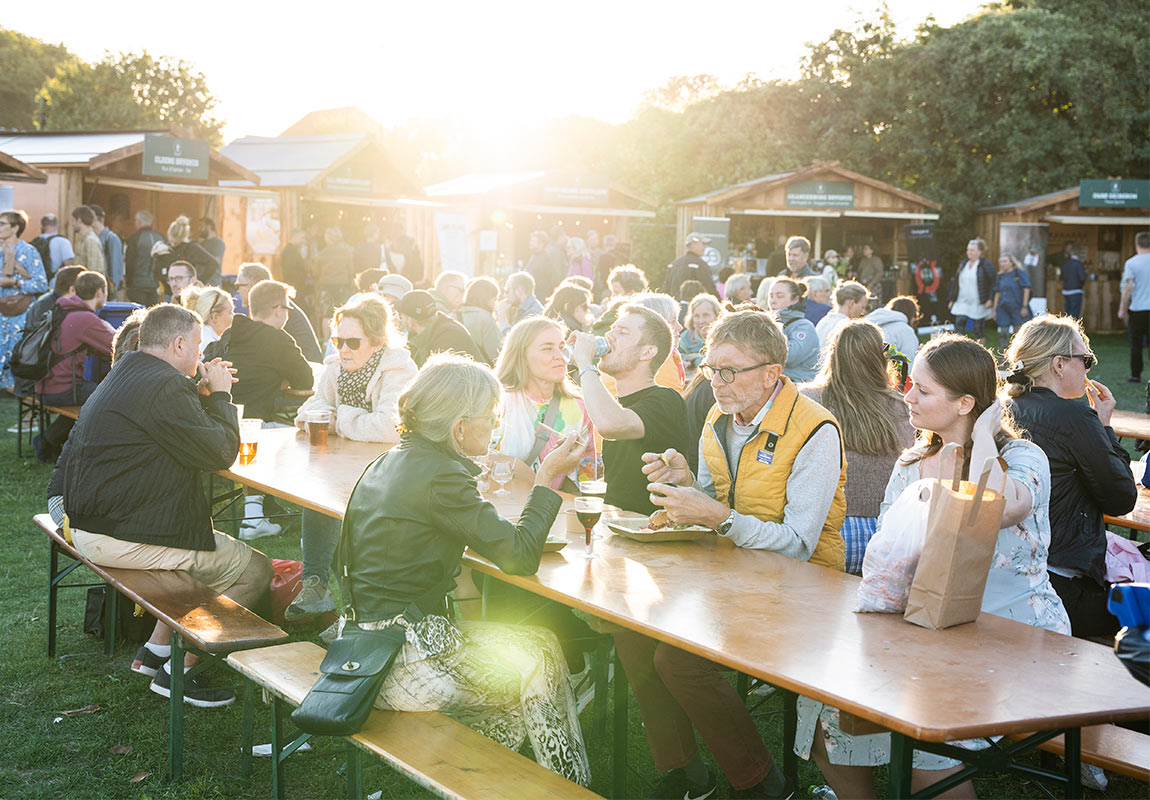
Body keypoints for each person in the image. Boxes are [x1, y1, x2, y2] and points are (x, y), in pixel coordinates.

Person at [794, 333, 1069, 800]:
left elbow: (999, 506)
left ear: (966, 403)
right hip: (925, 628)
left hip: (1013, 637)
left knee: (927, 742)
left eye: (922, 390)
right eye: (910, 384)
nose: (906, 396)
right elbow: (888, 553)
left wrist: (982, 435)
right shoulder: (911, 463)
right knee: (823, 710)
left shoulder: (1023, 458)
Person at [341, 355, 590, 785]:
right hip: (405, 662)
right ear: (459, 427)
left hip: (363, 646)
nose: (496, 425)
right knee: (539, 660)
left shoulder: (388, 461)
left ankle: (495, 778)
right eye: (491, 416)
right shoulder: (440, 475)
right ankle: (570, 785)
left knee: (538, 650)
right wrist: (546, 478)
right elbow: (519, 556)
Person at [630, 308, 847, 800]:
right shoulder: (718, 417)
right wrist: (686, 485)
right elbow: (718, 499)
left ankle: (762, 786)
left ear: (772, 373)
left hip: (804, 590)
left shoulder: (816, 429)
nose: (716, 382)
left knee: (681, 661)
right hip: (735, 578)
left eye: (729, 371)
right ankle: (688, 775)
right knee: (634, 633)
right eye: (709, 369)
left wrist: (714, 516)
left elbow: (797, 543)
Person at [62, 303, 273, 708]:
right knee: (254, 568)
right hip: (120, 535)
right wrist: (223, 395)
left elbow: (163, 425)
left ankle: (155, 651)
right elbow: (219, 453)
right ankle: (179, 670)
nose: (201, 356)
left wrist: (199, 395)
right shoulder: (165, 384)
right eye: (197, 347)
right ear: (178, 343)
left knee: (199, 554)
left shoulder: (128, 371)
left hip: (91, 526)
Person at [287, 296, 417, 620]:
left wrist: (339, 418)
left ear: (376, 341)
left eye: (352, 342)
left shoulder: (398, 368)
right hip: (344, 467)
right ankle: (317, 585)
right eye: (337, 340)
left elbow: (391, 426)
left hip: (392, 473)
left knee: (346, 512)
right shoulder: (334, 369)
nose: (343, 349)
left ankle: (349, 610)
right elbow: (305, 412)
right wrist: (335, 419)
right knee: (318, 494)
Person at [1005, 315, 1136, 637]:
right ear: (1060, 364)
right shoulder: (1075, 416)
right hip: (1057, 591)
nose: (1088, 368)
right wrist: (1104, 426)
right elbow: (1121, 498)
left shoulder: (1003, 408)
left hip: (1005, 579)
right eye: (1086, 360)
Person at [801, 321, 915, 574]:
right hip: (887, 536)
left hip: (827, 532)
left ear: (833, 355)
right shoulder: (903, 406)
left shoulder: (808, 401)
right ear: (880, 359)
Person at [571, 304, 690, 515]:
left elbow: (610, 425)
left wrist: (584, 362)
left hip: (655, 538)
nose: (610, 335)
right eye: (613, 328)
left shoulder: (666, 400)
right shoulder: (619, 406)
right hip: (618, 535)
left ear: (647, 352)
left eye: (623, 332)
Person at [494, 317, 598, 490]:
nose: (560, 357)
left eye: (562, 348)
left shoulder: (579, 407)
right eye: (547, 349)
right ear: (521, 355)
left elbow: (587, 478)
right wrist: (517, 467)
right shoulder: (499, 402)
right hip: (503, 509)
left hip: (554, 510)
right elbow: (478, 460)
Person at [31, 270, 114, 463]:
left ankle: (48, 440)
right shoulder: (86, 319)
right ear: (100, 293)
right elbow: (116, 345)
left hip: (43, 384)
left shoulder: (61, 309)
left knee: (93, 395)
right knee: (108, 396)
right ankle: (90, 453)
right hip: (61, 389)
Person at [204, 279, 313, 421]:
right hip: (258, 424)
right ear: (278, 310)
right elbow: (305, 380)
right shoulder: (278, 339)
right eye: (288, 309)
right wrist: (280, 380)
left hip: (220, 419)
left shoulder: (229, 334)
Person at [234, 262, 323, 362]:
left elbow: (261, 346)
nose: (236, 291)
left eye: (237, 286)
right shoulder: (274, 302)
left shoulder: (271, 307)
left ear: (250, 288)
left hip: (305, 367)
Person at [1, 209, 49, 390]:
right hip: (1, 310)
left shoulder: (28, 251)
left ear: (15, 228)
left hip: (19, 310)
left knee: (16, 346)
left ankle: (16, 384)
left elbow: (41, 284)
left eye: (2, 224)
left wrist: (14, 282)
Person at [396, 289, 481, 366]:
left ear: (410, 320)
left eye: (401, 316)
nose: (400, 319)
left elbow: (441, 378)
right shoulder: (419, 335)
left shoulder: (448, 336)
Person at [765, 277, 819, 382]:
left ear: (795, 300)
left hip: (799, 385)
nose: (773, 301)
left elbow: (789, 356)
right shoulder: (771, 322)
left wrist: (776, 325)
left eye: (779, 296)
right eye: (771, 296)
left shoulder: (805, 327)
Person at [947, 238, 995, 344]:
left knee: (978, 329)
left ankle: (981, 352)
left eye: (972, 250)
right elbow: (956, 283)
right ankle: (958, 349)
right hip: (962, 301)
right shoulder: (963, 264)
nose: (969, 252)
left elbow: (993, 283)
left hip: (978, 302)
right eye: (968, 250)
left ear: (980, 252)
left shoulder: (985, 264)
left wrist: (990, 299)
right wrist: (952, 299)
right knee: (959, 324)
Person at [1118, 231, 1150, 383]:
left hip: (1137, 309)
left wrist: (1122, 308)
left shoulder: (1131, 263)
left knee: (1136, 344)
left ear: (1137, 244)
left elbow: (1128, 288)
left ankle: (1136, 375)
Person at [163, 215, 220, 287]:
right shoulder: (165, 248)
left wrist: (200, 281)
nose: (173, 244)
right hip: (171, 290)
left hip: (187, 290)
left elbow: (213, 263)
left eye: (176, 241)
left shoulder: (191, 248)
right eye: (171, 240)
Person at [124, 210, 165, 306]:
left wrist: (128, 283)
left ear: (138, 222)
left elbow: (129, 262)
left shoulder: (134, 238)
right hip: (155, 286)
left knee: (139, 314)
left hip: (137, 284)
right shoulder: (161, 238)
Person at [866, 295, 921, 365]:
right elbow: (908, 364)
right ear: (911, 315)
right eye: (915, 316)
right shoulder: (905, 330)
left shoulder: (872, 324)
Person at [459, 276, 502, 365]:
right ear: (487, 299)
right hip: (480, 371)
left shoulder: (454, 315)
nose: (496, 304)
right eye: (495, 299)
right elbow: (494, 354)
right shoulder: (486, 319)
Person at [815, 280, 869, 349]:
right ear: (851, 303)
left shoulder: (823, 321)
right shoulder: (849, 327)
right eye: (862, 307)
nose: (863, 312)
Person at [663, 234, 718, 299]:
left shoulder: (673, 264)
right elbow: (709, 288)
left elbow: (666, 289)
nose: (706, 247)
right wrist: (720, 303)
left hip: (674, 306)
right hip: (693, 306)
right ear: (694, 244)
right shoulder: (699, 264)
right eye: (703, 244)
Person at [182, 286, 234, 354]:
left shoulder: (198, 336)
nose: (234, 316)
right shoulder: (210, 345)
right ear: (215, 317)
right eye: (230, 312)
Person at [679, 293, 721, 372]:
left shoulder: (726, 336)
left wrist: (696, 357)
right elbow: (674, 358)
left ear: (717, 316)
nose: (701, 321)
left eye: (706, 315)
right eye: (696, 316)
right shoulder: (684, 340)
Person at [992, 255, 1032, 337]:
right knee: (1003, 332)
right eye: (1001, 262)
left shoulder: (1019, 273)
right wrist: (994, 309)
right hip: (1003, 307)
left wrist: (1024, 306)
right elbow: (997, 293)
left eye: (1005, 261)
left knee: (1018, 333)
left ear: (1012, 263)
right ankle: (1003, 349)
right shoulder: (1000, 276)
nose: (1002, 264)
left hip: (1017, 307)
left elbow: (1026, 289)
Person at [317, 227, 356, 310]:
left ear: (327, 238)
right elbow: (351, 270)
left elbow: (316, 271)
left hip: (326, 285)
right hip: (342, 284)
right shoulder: (346, 252)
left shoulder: (322, 253)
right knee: (342, 309)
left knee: (326, 311)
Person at [87, 205, 124, 293]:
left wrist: (113, 291)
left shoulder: (111, 238)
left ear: (95, 218)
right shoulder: (91, 238)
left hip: (107, 290)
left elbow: (116, 266)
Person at [31, 213, 75, 279]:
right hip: (56, 282)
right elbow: (68, 265)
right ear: (57, 225)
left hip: (39, 281)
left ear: (42, 226)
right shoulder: (63, 241)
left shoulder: (35, 242)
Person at [70, 206, 106, 279]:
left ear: (79, 220)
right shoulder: (83, 240)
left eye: (73, 220)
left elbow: (94, 271)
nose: (72, 224)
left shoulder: (91, 241)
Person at [280, 229, 310, 302]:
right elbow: (290, 270)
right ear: (294, 237)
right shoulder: (291, 251)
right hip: (294, 286)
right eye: (302, 238)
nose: (304, 241)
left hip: (295, 286)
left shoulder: (292, 250)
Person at [1059, 243, 1087, 320]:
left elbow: (1061, 277)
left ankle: (1067, 330)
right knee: (1075, 314)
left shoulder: (1065, 264)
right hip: (1076, 291)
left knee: (1068, 313)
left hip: (1066, 291)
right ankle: (1072, 330)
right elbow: (1082, 278)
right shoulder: (1079, 264)